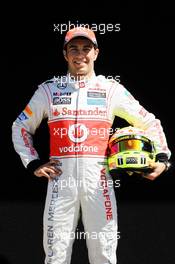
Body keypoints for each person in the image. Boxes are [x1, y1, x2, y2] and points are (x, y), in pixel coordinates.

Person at [12, 26, 171, 264]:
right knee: (55, 255)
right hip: (60, 181)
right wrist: (32, 162)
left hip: (99, 182)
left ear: (96, 53)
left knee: (104, 254)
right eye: (73, 49)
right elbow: (20, 126)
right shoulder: (49, 90)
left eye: (86, 49)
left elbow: (149, 121)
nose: (80, 55)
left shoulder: (111, 89)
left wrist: (162, 159)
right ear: (65, 54)